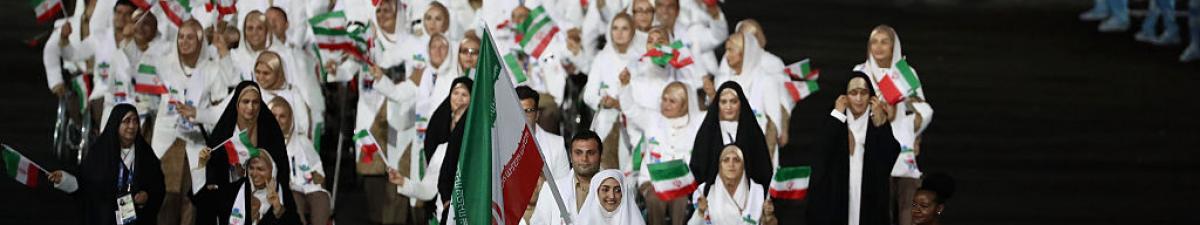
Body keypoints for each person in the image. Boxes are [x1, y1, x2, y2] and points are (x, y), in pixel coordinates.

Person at [150, 19, 232, 225]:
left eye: (190, 37)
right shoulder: (163, 66)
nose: (184, 42)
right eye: (180, 37)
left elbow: (222, 109)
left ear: (200, 40)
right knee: (166, 199)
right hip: (167, 140)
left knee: (192, 200)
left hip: (196, 143)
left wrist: (198, 113)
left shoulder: (212, 70)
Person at [195, 81, 294, 225]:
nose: (250, 107)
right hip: (228, 194)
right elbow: (213, 167)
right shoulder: (225, 130)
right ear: (237, 103)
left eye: (255, 102)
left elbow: (281, 166)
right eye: (245, 102)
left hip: (264, 193)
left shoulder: (270, 130)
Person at [49, 104, 165, 225]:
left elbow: (158, 186)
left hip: (137, 219)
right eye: (126, 121)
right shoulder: (99, 152)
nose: (132, 126)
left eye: (135, 121)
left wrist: (147, 196)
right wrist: (63, 179)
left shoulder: (145, 153)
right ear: (116, 124)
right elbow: (83, 183)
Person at [389, 77, 474, 223]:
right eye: (455, 93)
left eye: (464, 94)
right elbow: (428, 188)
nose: (459, 99)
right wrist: (403, 182)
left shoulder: (478, 148)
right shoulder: (442, 150)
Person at [824, 73, 901, 225]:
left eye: (864, 93)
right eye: (853, 93)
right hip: (839, 192)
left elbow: (890, 154)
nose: (859, 98)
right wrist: (837, 116)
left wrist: (881, 124)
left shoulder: (876, 120)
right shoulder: (836, 119)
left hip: (870, 193)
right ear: (845, 96)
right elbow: (822, 153)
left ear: (871, 96)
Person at [630, 82, 703, 225]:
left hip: (683, 182)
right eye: (664, 99)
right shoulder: (652, 119)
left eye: (672, 101)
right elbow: (631, 110)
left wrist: (712, 95)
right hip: (651, 181)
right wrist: (625, 86)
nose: (666, 104)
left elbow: (715, 116)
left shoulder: (696, 122)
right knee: (655, 198)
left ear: (684, 104)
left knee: (680, 199)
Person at [581, 12, 643, 172]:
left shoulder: (641, 59)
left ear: (633, 31)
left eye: (624, 28)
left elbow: (644, 95)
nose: (619, 33)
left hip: (635, 122)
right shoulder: (602, 58)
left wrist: (622, 103)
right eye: (615, 28)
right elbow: (589, 95)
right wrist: (603, 101)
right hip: (606, 123)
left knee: (630, 172)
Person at [717, 32, 790, 164]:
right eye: (726, 50)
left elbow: (773, 123)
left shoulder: (766, 81)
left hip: (759, 154)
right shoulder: (726, 80)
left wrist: (764, 162)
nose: (726, 55)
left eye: (731, 50)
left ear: (744, 52)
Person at [691, 82, 773, 193]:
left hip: (748, 195)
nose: (728, 107)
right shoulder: (708, 132)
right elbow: (698, 168)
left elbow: (762, 170)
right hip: (712, 195)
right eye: (723, 102)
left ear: (741, 103)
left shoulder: (752, 132)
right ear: (717, 104)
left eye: (733, 101)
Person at [268, 97, 331, 225]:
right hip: (281, 190)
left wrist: (317, 176)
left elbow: (318, 171)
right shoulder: (263, 142)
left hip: (306, 187)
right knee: (293, 202)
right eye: (274, 116)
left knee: (322, 199)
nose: (277, 121)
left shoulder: (302, 141)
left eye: (282, 116)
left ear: (290, 119)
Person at [687, 145, 776, 225]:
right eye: (726, 160)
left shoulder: (757, 191)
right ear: (719, 165)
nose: (731, 164)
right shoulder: (704, 191)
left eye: (736, 160)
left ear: (743, 165)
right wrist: (700, 212)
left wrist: (768, 216)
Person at [530, 130, 605, 225]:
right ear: (570, 156)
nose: (584, 159)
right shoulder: (551, 189)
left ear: (601, 156)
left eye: (590, 153)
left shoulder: (617, 188)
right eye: (578, 153)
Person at [229, 152, 303, 225]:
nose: (254, 174)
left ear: (272, 170)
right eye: (251, 168)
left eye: (260, 169)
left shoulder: (283, 193)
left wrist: (278, 208)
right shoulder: (238, 191)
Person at [517, 86, 571, 180]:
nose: (522, 116)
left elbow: (563, 188)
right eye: (517, 110)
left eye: (528, 111)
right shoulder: (497, 144)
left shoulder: (557, 145)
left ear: (537, 115)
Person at [576, 169, 646, 225]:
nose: (612, 196)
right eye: (605, 190)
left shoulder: (634, 220)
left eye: (618, 190)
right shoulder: (585, 221)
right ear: (596, 193)